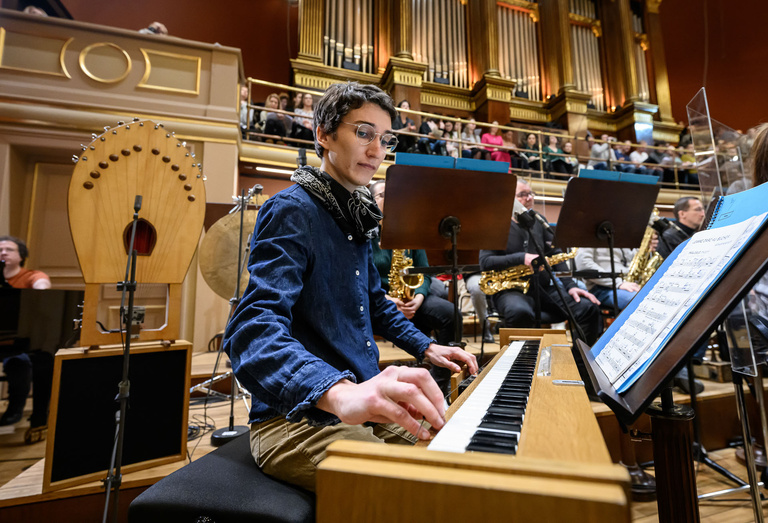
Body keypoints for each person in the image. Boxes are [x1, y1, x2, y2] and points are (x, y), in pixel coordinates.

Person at [221, 82, 477, 492]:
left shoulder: (356, 219)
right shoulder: (292, 210)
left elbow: (375, 302)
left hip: (355, 400)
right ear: (323, 134)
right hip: (297, 420)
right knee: (413, 491)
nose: (378, 150)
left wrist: (425, 347)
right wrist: (338, 394)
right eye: (363, 133)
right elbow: (252, 328)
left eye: (384, 138)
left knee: (456, 458)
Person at [479, 181, 602, 345]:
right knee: (520, 313)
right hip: (510, 289)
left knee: (587, 309)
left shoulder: (538, 220)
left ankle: (580, 366)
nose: (529, 198)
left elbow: (556, 254)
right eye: (522, 194)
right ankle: (523, 367)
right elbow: (485, 261)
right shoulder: (496, 223)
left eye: (531, 193)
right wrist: (521, 258)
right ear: (509, 198)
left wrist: (571, 285)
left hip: (543, 287)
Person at [369, 180, 456, 396]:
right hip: (381, 301)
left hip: (412, 300)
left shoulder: (409, 230)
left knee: (450, 313)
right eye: (382, 195)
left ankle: (440, 382)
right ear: (371, 201)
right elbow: (360, 278)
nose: (389, 200)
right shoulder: (367, 234)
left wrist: (418, 298)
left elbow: (424, 272)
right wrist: (389, 300)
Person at [0, 237, 50, 429]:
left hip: (16, 341)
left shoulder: (32, 276)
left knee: (19, 362)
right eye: (0, 249)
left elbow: (41, 284)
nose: (3, 253)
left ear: (21, 256)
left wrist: (39, 289)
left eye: (9, 249)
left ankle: (16, 409)